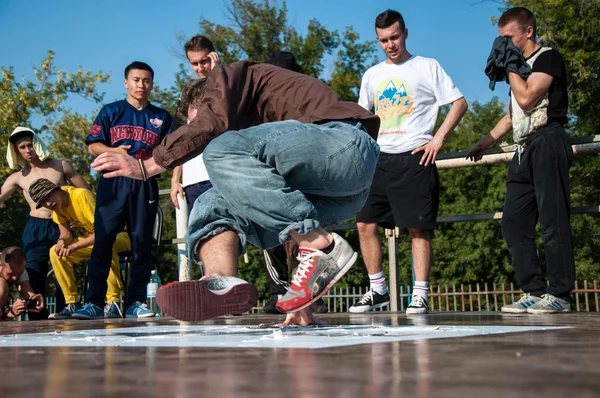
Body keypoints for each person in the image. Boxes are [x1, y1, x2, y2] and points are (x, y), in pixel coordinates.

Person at [90, 61, 380, 326]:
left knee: (221, 148)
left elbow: (212, 121)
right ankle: (220, 280)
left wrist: (148, 165)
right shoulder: (262, 151)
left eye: (196, 124)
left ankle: (321, 246)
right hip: (340, 195)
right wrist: (302, 297)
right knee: (212, 202)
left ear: (206, 98)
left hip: (345, 143)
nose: (200, 136)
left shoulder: (229, 77)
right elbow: (288, 221)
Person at [349, 9, 467, 315]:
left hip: (415, 156)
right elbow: (363, 118)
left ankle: (420, 294)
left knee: (417, 229)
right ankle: (378, 291)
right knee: (364, 223)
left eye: (394, 37)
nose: (390, 44)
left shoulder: (427, 66)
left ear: (405, 33)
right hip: (378, 160)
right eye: (383, 40)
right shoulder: (372, 74)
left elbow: (459, 103)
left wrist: (438, 138)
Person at [467, 7, 574, 314]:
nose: (502, 46)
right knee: (513, 222)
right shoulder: (521, 66)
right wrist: (484, 142)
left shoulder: (547, 58)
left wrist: (511, 65)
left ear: (527, 32)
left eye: (508, 38)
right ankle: (534, 290)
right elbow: (515, 113)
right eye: (500, 40)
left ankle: (560, 295)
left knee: (553, 220)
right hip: (523, 149)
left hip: (548, 141)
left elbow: (527, 98)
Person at [72, 61, 173, 320]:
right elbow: (92, 146)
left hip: (144, 182)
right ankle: (94, 302)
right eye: (136, 80)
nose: (142, 85)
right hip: (113, 182)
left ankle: (135, 302)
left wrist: (171, 178)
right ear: (126, 82)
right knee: (103, 241)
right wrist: (112, 150)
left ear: (152, 84)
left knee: (141, 245)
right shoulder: (111, 111)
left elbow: (173, 153)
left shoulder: (162, 117)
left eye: (147, 81)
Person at [0, 127, 91, 319]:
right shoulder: (18, 177)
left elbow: (86, 191)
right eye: (22, 147)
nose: (27, 150)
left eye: (30, 145)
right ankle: (36, 318)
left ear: (37, 144)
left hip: (63, 225)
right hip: (35, 228)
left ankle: (67, 312)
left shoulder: (60, 166)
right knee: (34, 273)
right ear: (17, 152)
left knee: (64, 265)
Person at [28, 178, 132, 319]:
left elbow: (104, 231)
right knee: (55, 252)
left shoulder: (81, 195)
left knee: (106, 244)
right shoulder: (58, 208)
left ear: (57, 189)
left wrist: (74, 246)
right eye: (43, 202)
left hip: (119, 236)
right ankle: (72, 303)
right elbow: (65, 234)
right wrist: (61, 242)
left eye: (48, 197)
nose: (48, 203)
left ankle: (113, 303)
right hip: (93, 241)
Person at [170, 35, 219, 213]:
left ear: (213, 56)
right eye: (194, 63)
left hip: (221, 174)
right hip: (192, 179)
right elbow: (181, 135)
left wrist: (217, 73)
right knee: (199, 237)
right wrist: (176, 178)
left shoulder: (227, 84)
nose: (200, 68)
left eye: (204, 61)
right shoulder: (187, 93)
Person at [0, 247, 45, 321]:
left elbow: (26, 289)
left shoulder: (17, 269)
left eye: (19, 273)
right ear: (0, 266)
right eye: (11, 274)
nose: (15, 278)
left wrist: (34, 301)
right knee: (1, 285)